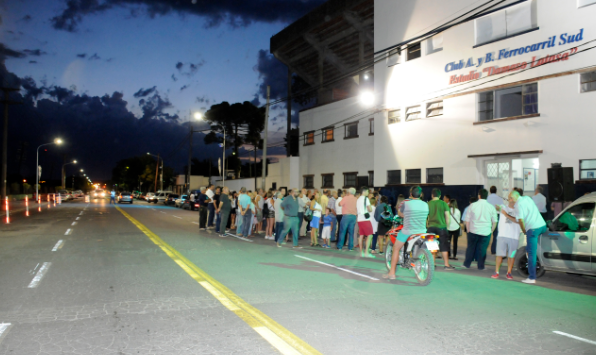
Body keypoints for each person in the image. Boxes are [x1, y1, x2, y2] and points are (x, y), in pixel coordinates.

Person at [384, 186, 429, 280]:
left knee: (396, 248)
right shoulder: (425, 204)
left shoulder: (406, 203)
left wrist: (406, 215)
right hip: (422, 231)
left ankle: (392, 273)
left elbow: (400, 214)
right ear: (421, 195)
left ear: (411, 194)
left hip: (408, 231)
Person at [504, 190, 547, 284]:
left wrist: (524, 231)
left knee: (531, 253)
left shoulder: (518, 206)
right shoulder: (527, 198)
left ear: (514, 197)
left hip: (533, 229)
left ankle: (532, 277)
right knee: (529, 249)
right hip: (542, 226)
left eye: (510, 198)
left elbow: (520, 221)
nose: (509, 200)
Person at [463, 189, 498, 270]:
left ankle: (467, 264)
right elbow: (495, 222)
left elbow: (467, 219)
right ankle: (481, 266)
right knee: (482, 250)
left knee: (470, 248)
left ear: (479, 196)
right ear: (487, 196)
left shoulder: (472, 205)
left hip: (473, 231)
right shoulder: (491, 207)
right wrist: (491, 231)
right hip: (485, 232)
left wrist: (468, 230)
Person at [492, 195, 521, 280]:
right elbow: (497, 207)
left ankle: (509, 272)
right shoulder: (503, 207)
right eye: (511, 199)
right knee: (499, 255)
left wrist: (506, 215)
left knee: (511, 256)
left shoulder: (519, 211)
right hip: (502, 235)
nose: (512, 201)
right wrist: (498, 207)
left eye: (514, 200)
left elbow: (517, 221)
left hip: (514, 236)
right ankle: (496, 271)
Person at [426, 188, 455, 270]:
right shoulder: (444, 204)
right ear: (440, 196)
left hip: (431, 228)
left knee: (432, 246)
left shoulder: (428, 204)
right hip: (442, 228)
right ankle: (446, 265)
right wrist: (447, 227)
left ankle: (433, 264)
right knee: (444, 246)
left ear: (432, 195)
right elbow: (447, 217)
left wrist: (427, 225)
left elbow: (426, 217)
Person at [357, 187, 375, 258]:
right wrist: (370, 208)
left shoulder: (358, 199)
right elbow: (369, 209)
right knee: (370, 235)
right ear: (364, 191)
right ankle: (366, 252)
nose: (368, 193)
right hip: (365, 219)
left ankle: (361, 252)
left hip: (359, 219)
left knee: (361, 235)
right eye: (367, 191)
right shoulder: (366, 199)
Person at [487, 186, 504, 255]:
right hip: (497, 216)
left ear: (490, 191)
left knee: (487, 233)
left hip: (489, 216)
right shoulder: (499, 198)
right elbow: (502, 207)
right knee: (496, 234)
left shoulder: (487, 198)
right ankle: (493, 249)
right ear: (496, 190)